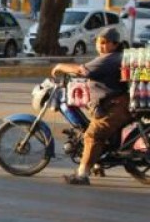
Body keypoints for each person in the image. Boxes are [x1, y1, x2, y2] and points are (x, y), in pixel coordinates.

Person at [51, 27, 131, 186]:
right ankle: (97, 164)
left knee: (92, 135)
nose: (100, 46)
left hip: (114, 107)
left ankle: (82, 175)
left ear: (114, 45)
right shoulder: (113, 57)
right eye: (98, 43)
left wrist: (60, 66)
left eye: (104, 43)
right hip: (112, 105)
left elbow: (83, 70)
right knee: (97, 132)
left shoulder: (109, 58)